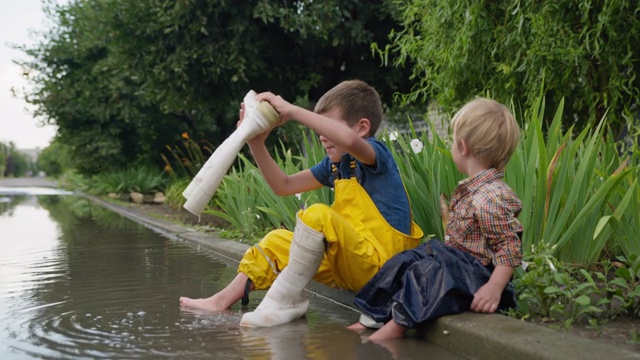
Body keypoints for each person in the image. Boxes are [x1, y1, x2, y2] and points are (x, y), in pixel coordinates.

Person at [180, 80, 424, 327]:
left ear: (362, 128)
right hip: (351, 265)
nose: (321, 136)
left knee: (317, 215)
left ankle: (285, 299)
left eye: (329, 127)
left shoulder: (375, 154)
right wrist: (256, 143)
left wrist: (292, 110)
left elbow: (349, 141)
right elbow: (283, 185)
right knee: (276, 242)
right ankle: (221, 300)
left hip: (383, 271)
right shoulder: (335, 166)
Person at [348, 97, 523, 341]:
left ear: (462, 147)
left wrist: (494, 288)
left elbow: (509, 246)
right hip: (459, 266)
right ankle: (373, 316)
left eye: (452, 140)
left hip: (478, 277)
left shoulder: (490, 197)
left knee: (428, 273)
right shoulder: (475, 189)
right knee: (408, 260)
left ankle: (395, 327)